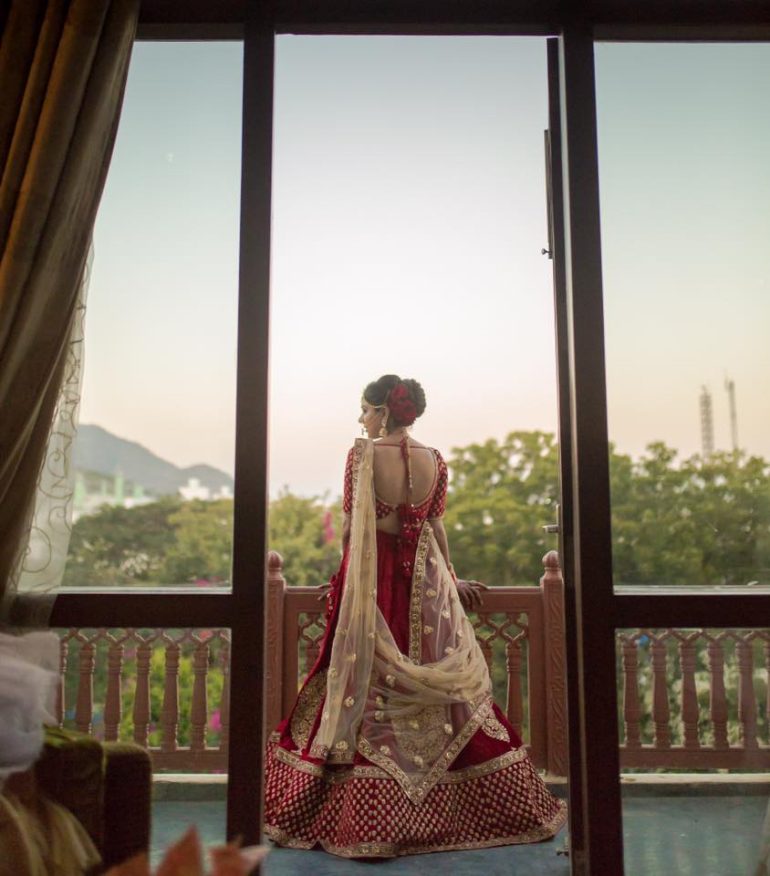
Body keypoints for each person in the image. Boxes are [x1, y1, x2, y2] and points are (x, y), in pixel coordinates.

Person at [264, 375, 567, 858]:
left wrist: (345, 579)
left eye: (365, 410)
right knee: (440, 692)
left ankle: (369, 814)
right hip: (427, 584)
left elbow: (352, 528)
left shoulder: (362, 456)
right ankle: (470, 803)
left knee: (365, 683)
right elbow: (435, 527)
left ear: (384, 411)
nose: (361, 419)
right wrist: (453, 577)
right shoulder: (435, 460)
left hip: (376, 581)